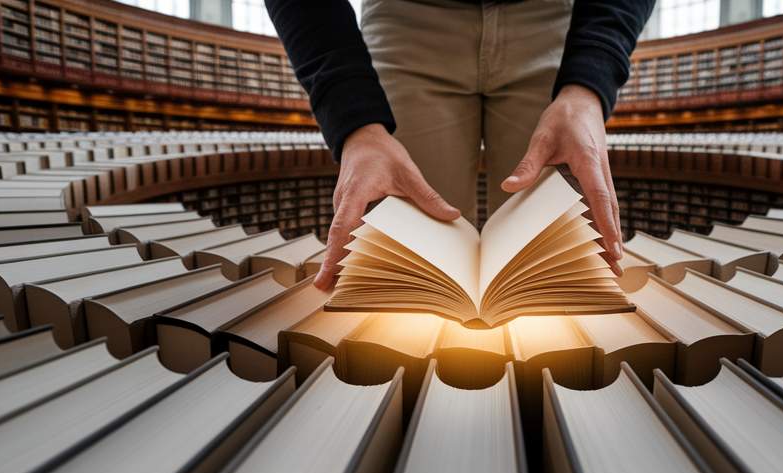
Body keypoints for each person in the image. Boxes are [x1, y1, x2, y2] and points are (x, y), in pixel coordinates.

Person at [265, 0, 655, 291]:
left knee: (551, 276)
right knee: (410, 276)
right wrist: (355, 123)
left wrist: (589, 83)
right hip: (406, 20)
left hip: (559, 23)